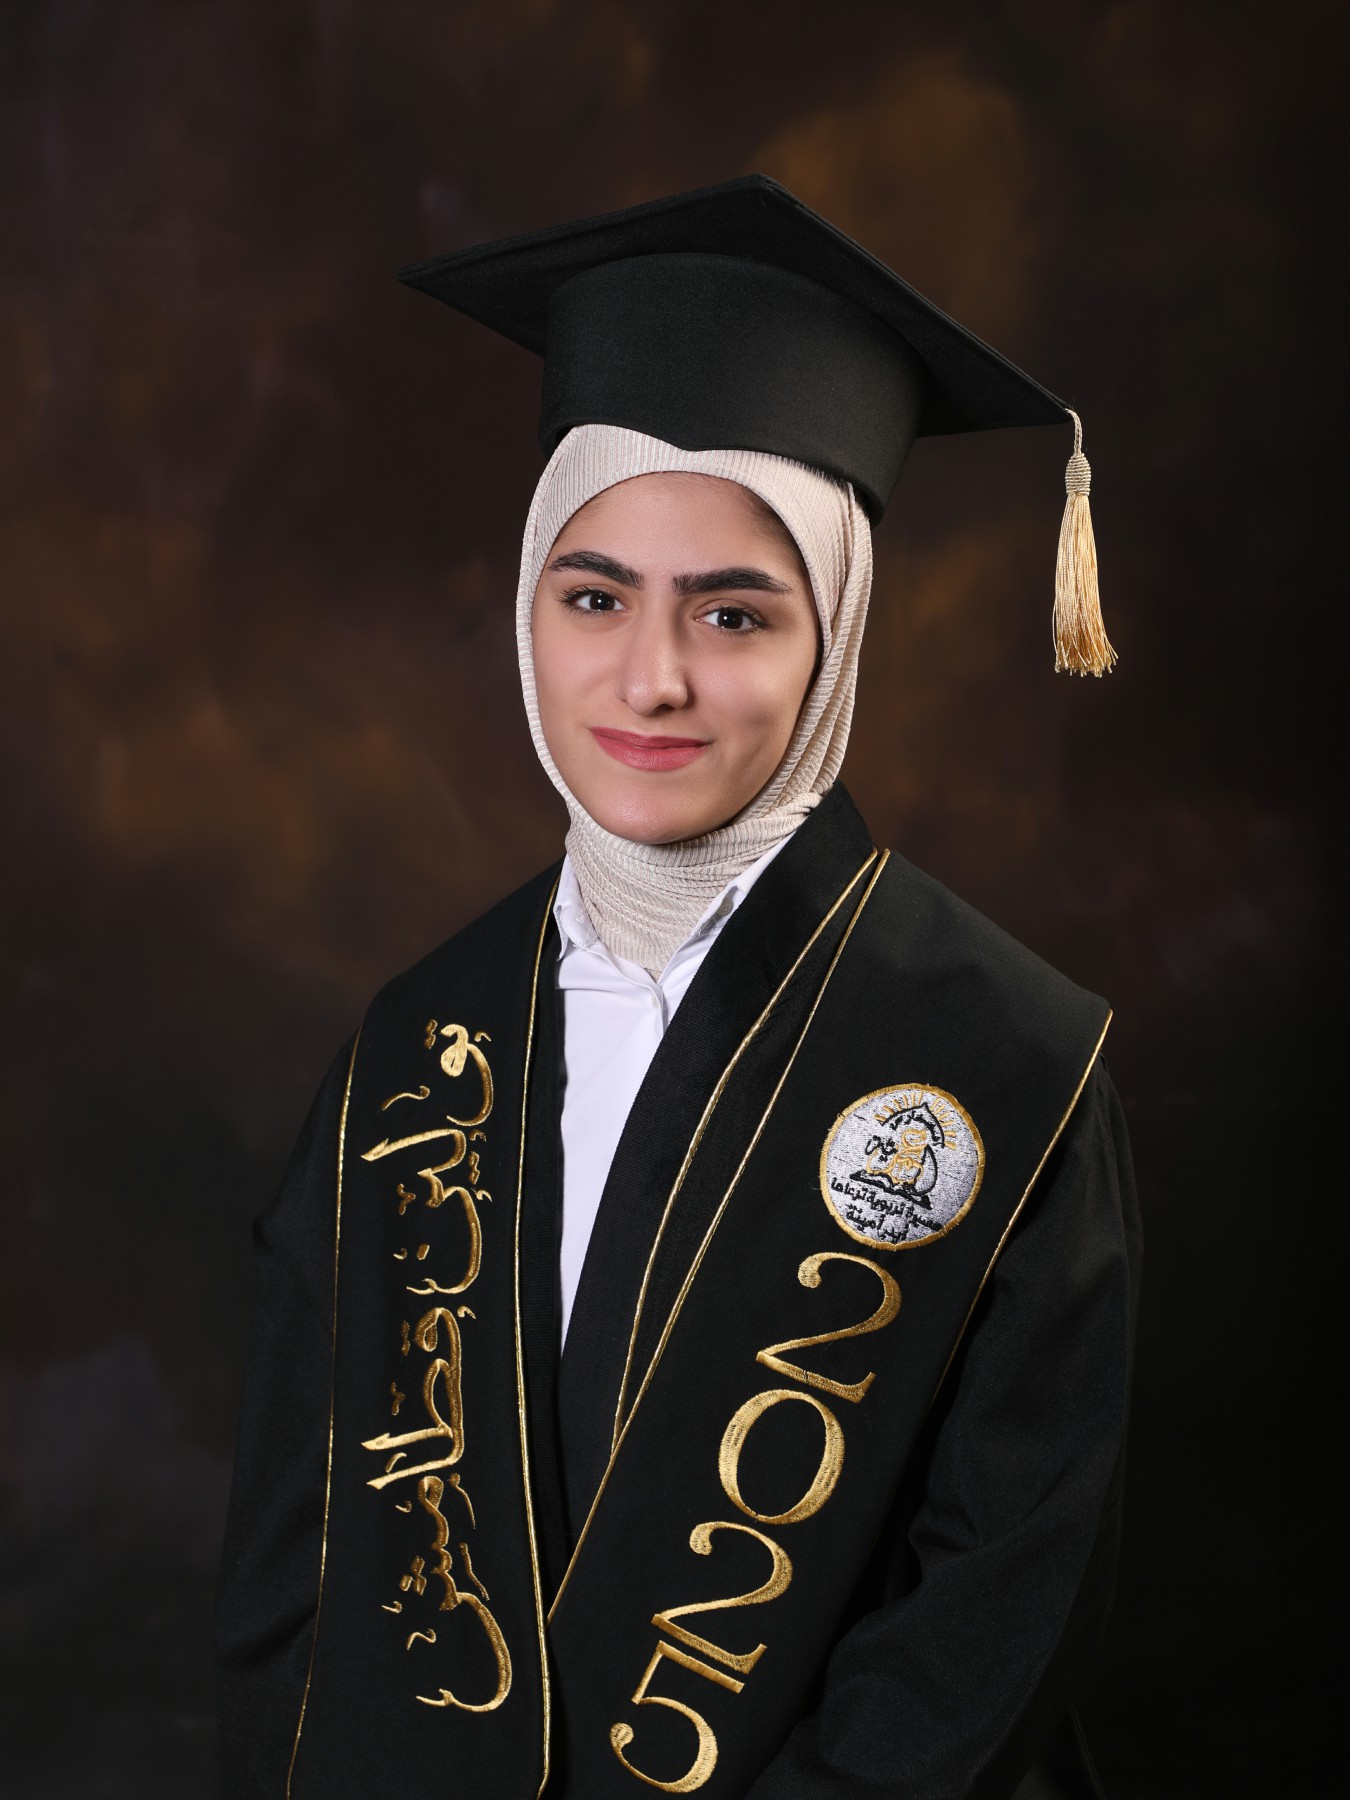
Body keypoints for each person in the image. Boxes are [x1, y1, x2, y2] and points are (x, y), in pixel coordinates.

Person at [214, 175, 1140, 1800]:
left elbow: (991, 1618)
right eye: (593, 596)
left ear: (834, 638)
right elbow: (298, 1574)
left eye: (732, 612)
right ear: (527, 604)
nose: (650, 679)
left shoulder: (1003, 1066)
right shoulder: (415, 1050)